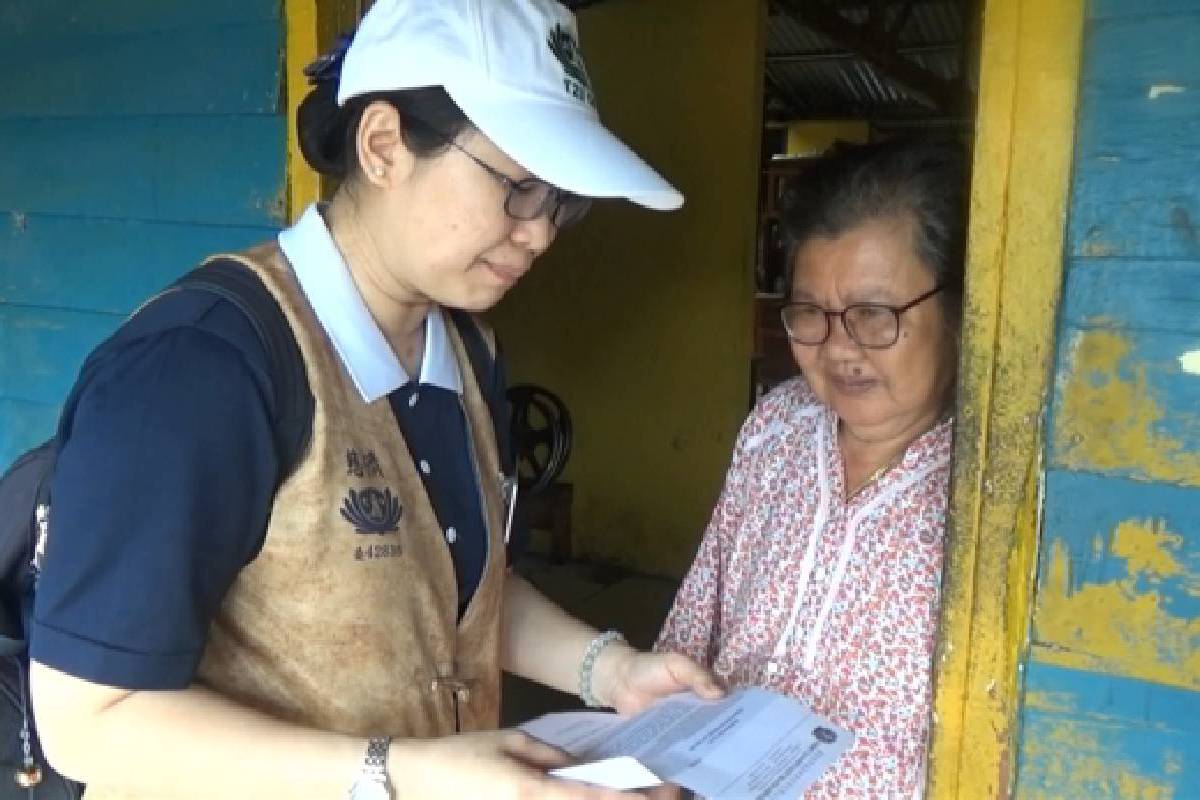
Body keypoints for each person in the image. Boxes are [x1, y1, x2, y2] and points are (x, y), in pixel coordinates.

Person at [28, 1, 721, 798]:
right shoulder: (203, 368)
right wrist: (405, 774)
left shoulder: (463, 352)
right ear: (384, 145)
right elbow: (89, 720)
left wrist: (610, 670)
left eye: (562, 201)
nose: (540, 234)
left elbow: (456, 597)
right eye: (521, 188)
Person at [655, 140, 967, 799]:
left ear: (958, 307)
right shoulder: (778, 427)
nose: (839, 349)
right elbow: (695, 624)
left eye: (874, 316)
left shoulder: (989, 485)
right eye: (809, 315)